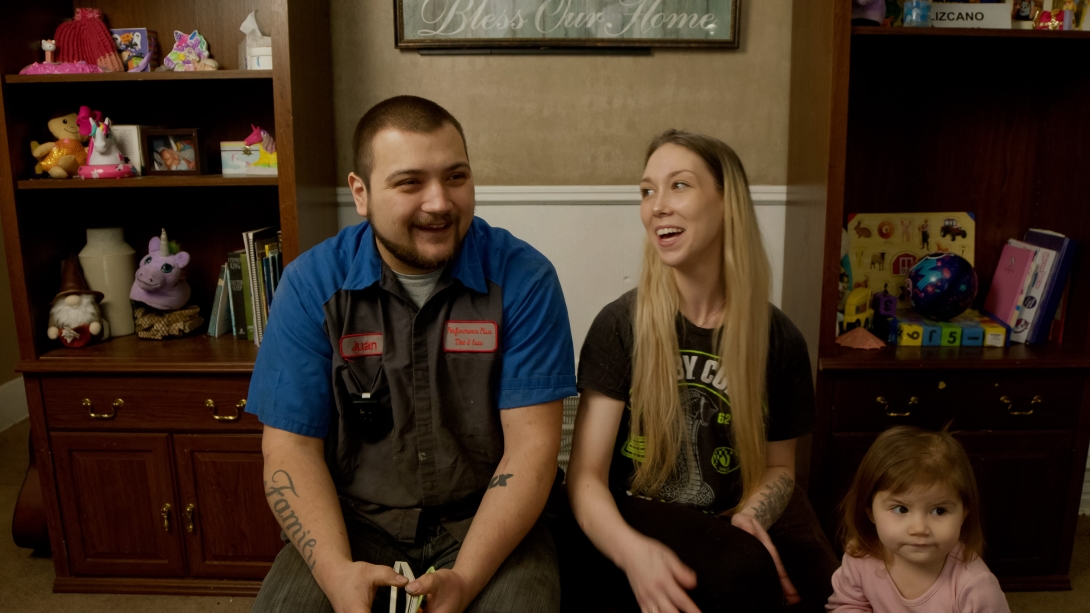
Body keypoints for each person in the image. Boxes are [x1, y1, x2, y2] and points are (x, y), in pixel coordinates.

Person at [248, 95, 576, 613]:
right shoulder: (311, 285)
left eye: (456, 177)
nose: (440, 202)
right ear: (361, 193)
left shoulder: (525, 279)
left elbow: (532, 450)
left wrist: (466, 578)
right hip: (353, 523)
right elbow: (290, 452)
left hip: (487, 519)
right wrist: (335, 572)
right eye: (409, 182)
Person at [564, 130, 838, 613]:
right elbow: (585, 477)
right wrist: (632, 553)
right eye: (647, 191)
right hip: (635, 506)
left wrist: (752, 517)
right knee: (743, 569)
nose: (657, 206)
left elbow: (779, 467)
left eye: (679, 185)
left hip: (730, 508)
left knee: (821, 583)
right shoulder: (620, 325)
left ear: (726, 201)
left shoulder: (778, 338)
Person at [827, 426, 1010, 612]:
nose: (919, 528)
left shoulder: (976, 585)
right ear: (870, 511)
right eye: (901, 509)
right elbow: (847, 605)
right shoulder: (861, 556)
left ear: (963, 514)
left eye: (939, 511)